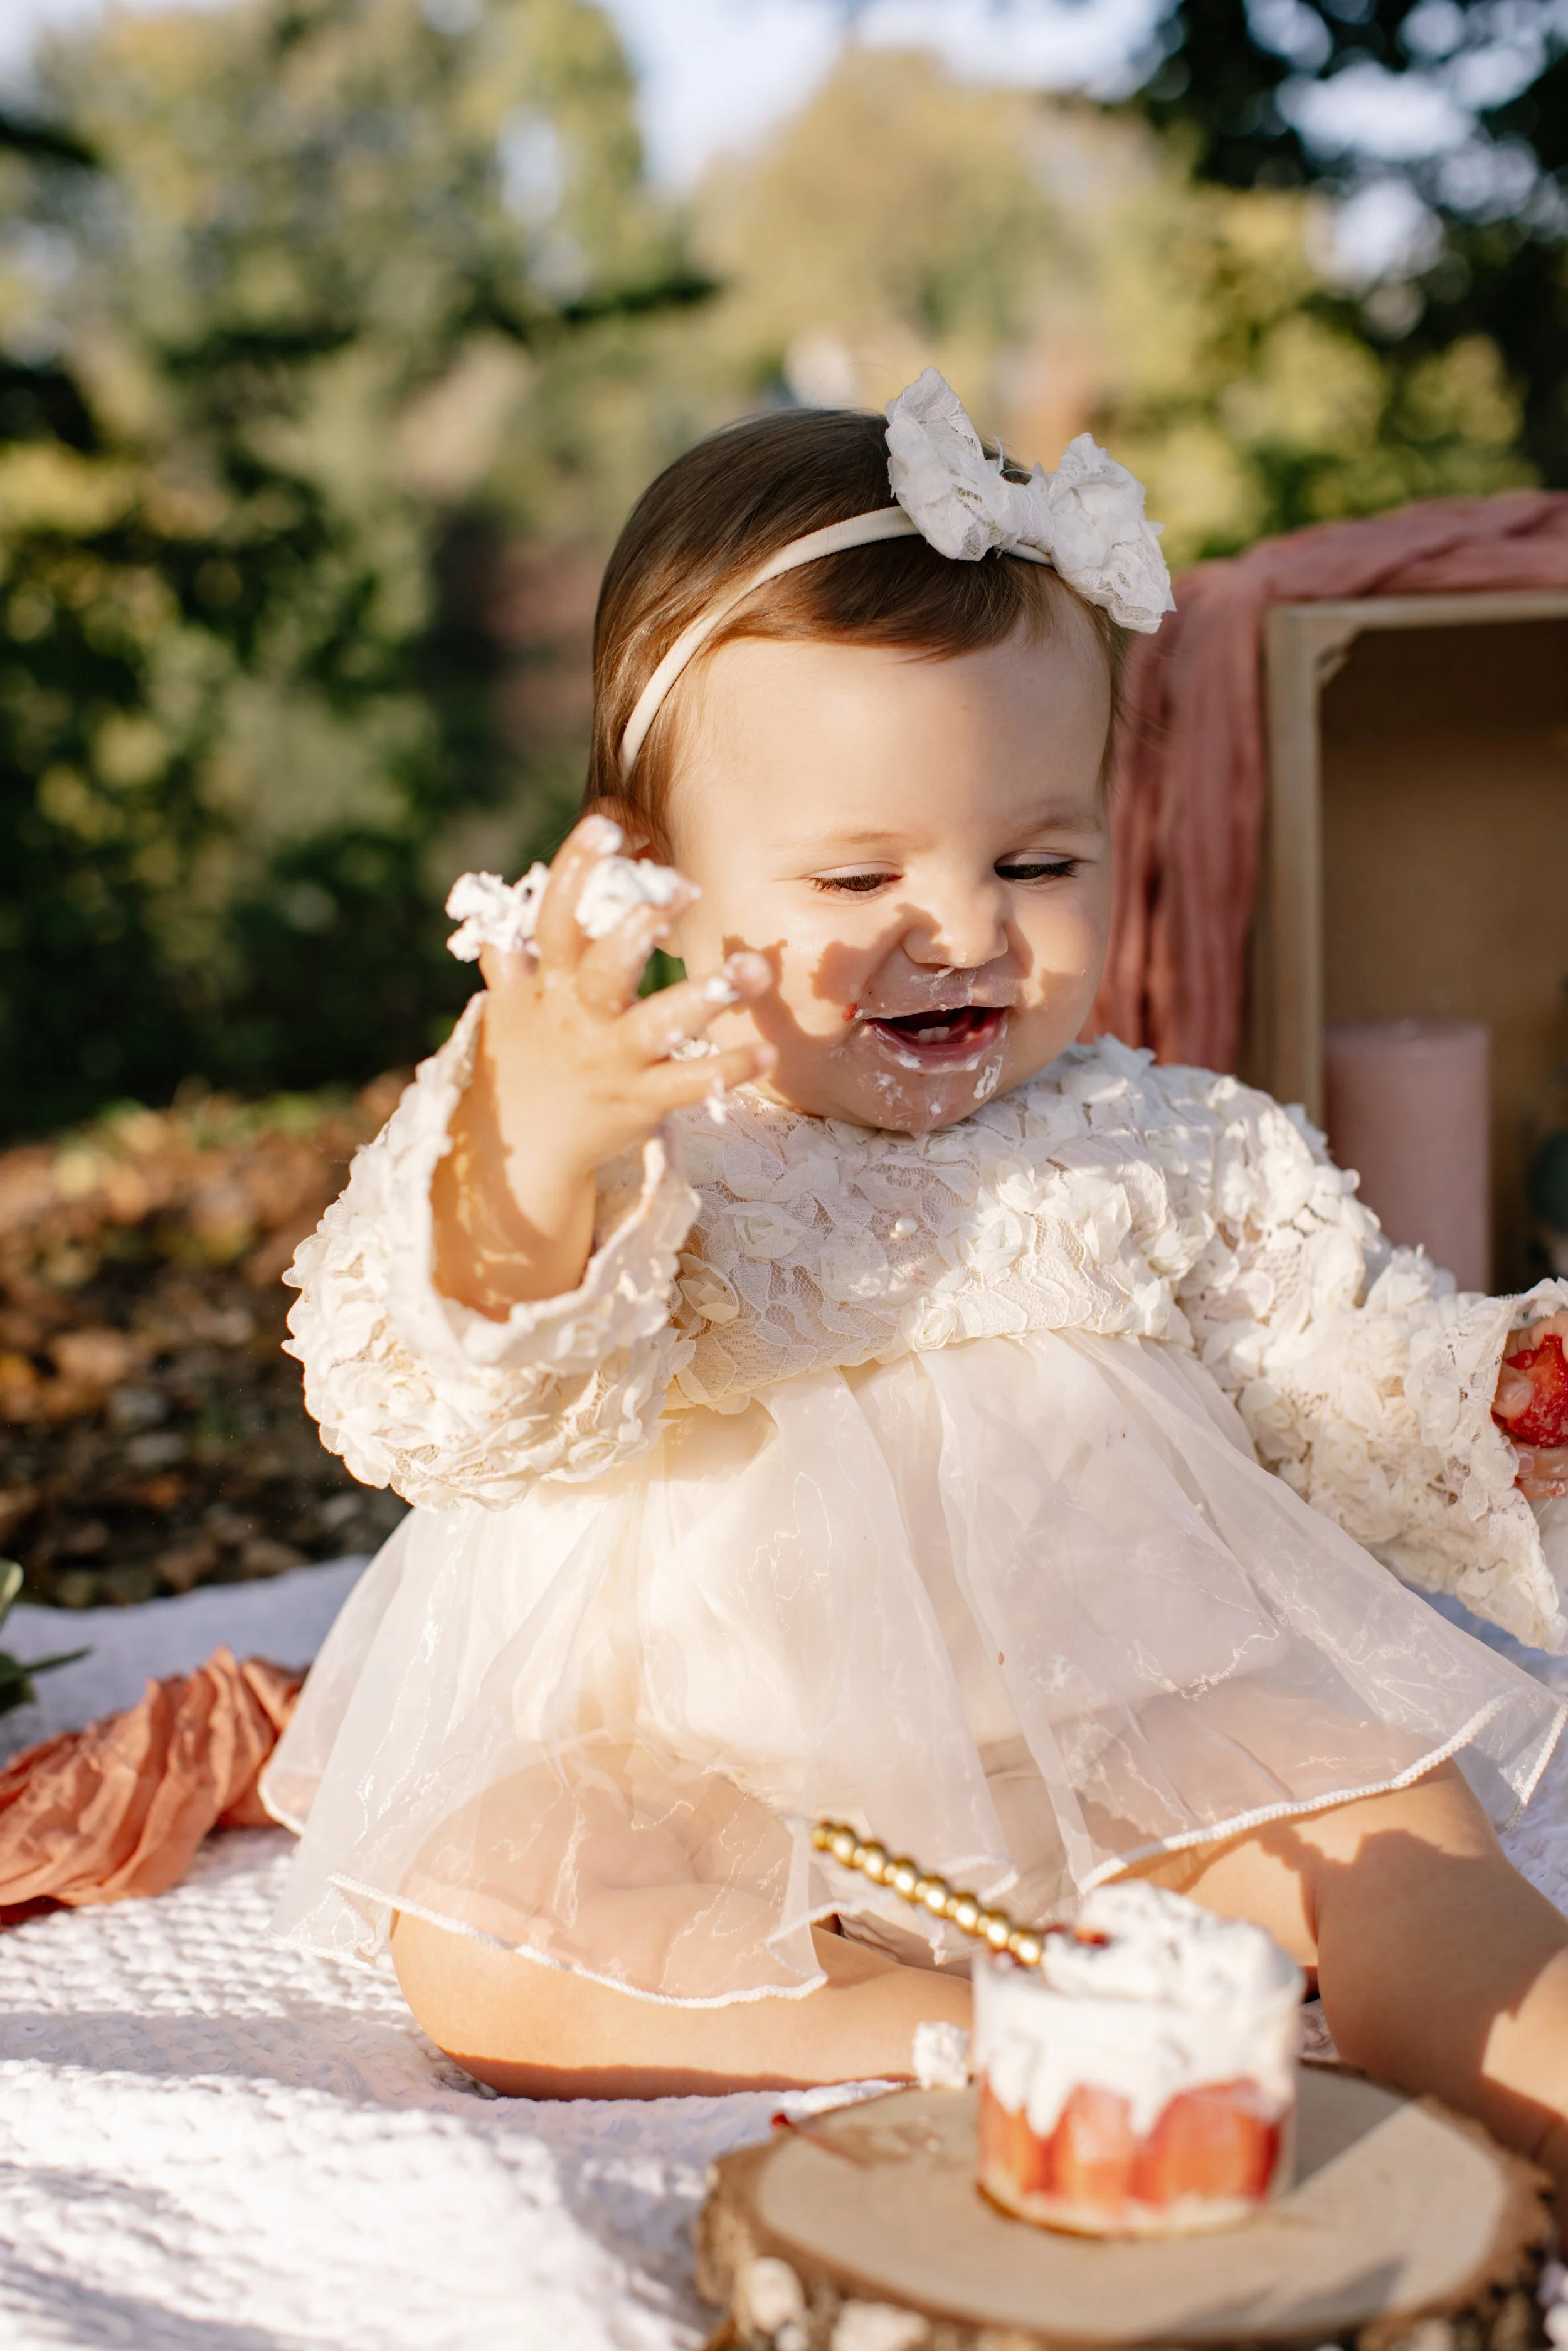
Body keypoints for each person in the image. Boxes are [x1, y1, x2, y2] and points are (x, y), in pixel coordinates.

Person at [263, 371, 1568, 2202]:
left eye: (1037, 858)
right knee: (483, 1934)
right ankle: (959, 2025)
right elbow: (449, 1395)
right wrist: (533, 1159)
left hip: (1128, 1722)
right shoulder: (644, 1136)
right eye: (856, 871)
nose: (959, 925)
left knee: (1395, 1832)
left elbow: (1320, 1371)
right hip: (718, 1766)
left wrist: (1492, 1387)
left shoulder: (1150, 1137)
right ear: (656, 883)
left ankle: (1516, 2041)